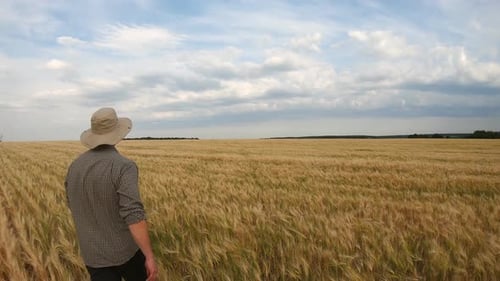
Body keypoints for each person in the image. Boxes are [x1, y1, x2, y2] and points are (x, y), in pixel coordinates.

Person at [65, 107, 158, 281]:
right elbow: (133, 215)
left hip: (92, 255)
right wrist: (149, 257)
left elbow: (72, 204)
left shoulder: (74, 166)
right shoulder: (123, 166)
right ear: (118, 133)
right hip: (125, 252)